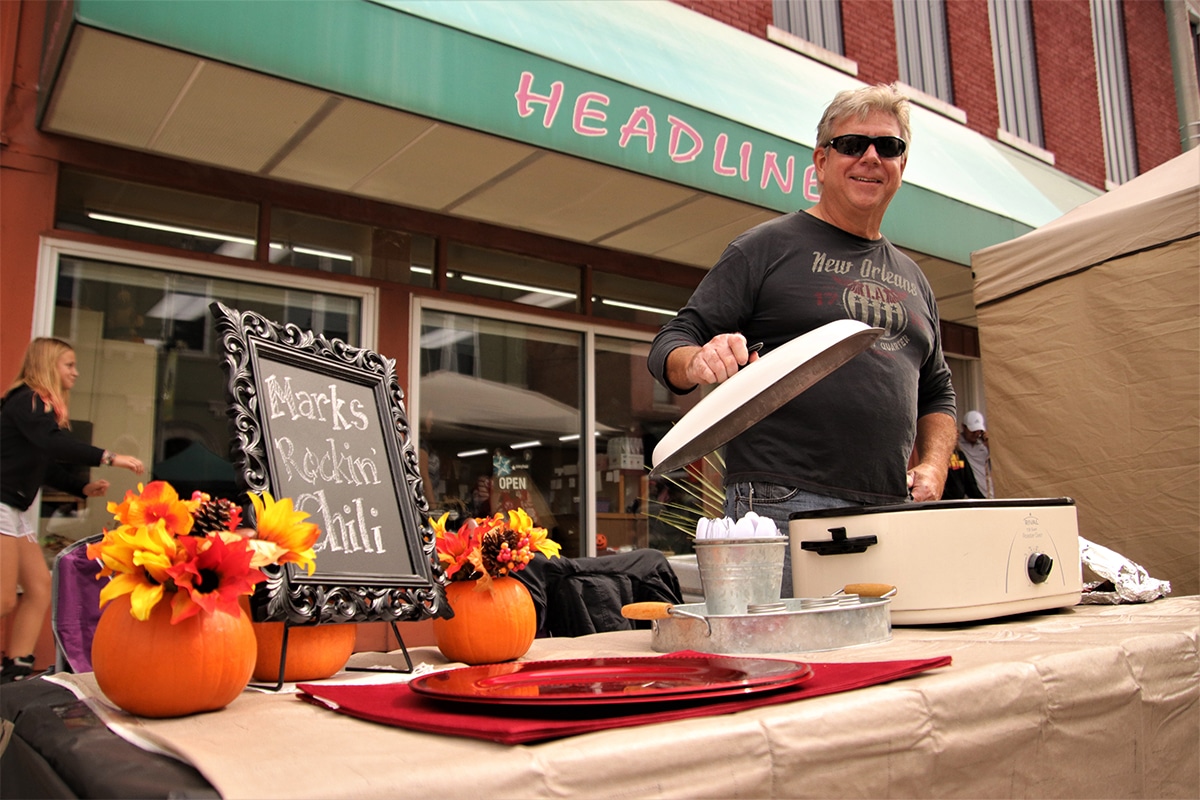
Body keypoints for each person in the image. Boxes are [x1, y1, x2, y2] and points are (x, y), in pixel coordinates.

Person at [648, 84, 957, 596]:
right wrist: (698, 360)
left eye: (889, 146)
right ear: (820, 159)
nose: (871, 158)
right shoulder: (765, 248)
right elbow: (672, 341)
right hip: (781, 503)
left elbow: (939, 391)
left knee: (878, 664)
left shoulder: (915, 279)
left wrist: (933, 465)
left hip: (890, 509)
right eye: (852, 144)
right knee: (784, 662)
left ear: (903, 164)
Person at [1, 337, 145, 682]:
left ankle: (16, 669)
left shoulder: (38, 409)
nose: (76, 372)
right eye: (69, 365)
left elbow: (44, 461)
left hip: (15, 508)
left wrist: (80, 488)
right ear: (48, 365)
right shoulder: (29, 402)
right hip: (2, 503)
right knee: (4, 600)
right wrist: (109, 457)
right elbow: (52, 444)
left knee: (37, 588)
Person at [958, 410, 994, 498]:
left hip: (988, 493)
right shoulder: (958, 444)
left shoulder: (984, 445)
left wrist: (989, 444)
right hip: (970, 496)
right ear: (964, 427)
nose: (976, 434)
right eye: (973, 431)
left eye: (978, 431)